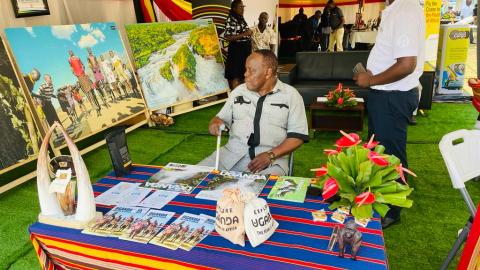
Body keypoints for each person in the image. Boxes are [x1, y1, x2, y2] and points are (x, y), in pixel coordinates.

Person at [354, 0, 425, 228]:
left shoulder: (405, 9)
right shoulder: (395, 9)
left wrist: (371, 79)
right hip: (385, 94)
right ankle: (382, 198)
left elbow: (406, 64)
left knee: (391, 155)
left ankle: (392, 211)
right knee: (380, 152)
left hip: (392, 96)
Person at [198, 50, 309, 175]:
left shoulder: (291, 96)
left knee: (257, 192)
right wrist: (216, 122)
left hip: (270, 163)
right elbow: (221, 118)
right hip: (229, 157)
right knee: (193, 177)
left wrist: (270, 155)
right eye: (246, 69)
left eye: (251, 70)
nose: (245, 74)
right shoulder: (239, 91)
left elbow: (297, 137)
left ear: (268, 72)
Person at [223, 0, 252, 90]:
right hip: (237, 50)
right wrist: (245, 34)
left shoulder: (240, 18)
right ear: (234, 8)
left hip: (245, 49)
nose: (242, 9)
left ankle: (242, 96)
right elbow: (228, 37)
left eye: (243, 7)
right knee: (236, 75)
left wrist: (249, 34)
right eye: (240, 7)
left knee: (244, 74)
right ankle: (235, 98)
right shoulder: (231, 19)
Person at [68, 50, 102, 116]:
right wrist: (74, 73)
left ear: (73, 52)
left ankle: (98, 108)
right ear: (69, 54)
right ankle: (96, 108)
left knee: (92, 92)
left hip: (83, 74)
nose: (71, 53)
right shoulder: (69, 59)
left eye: (71, 52)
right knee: (87, 93)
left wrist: (83, 69)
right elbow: (71, 67)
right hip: (79, 77)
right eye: (69, 52)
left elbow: (82, 64)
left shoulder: (77, 57)